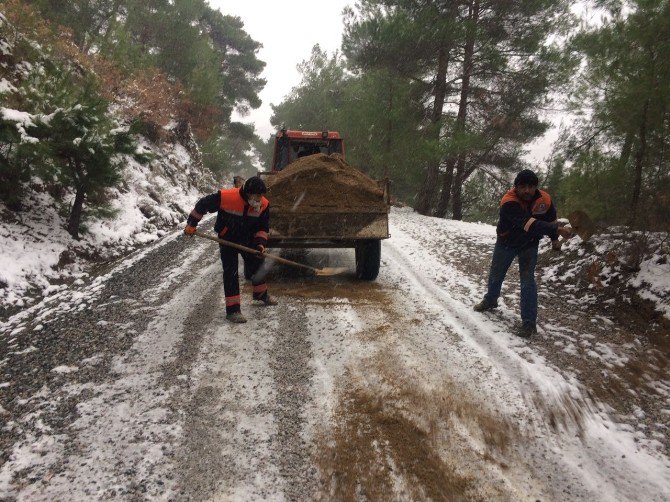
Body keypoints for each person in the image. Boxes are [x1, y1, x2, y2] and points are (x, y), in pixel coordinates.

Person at [473, 169, 572, 338]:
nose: (527, 190)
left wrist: (555, 239)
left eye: (531, 186)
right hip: (507, 242)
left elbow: (550, 219)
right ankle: (490, 301)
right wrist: (557, 229)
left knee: (528, 281)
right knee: (496, 274)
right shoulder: (508, 201)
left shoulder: (545, 200)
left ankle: (529, 323)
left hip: (529, 244)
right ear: (516, 187)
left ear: (536, 187)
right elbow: (528, 224)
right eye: (523, 186)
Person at [184, 176, 277, 323]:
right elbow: (202, 205)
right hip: (228, 237)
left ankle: (261, 294)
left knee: (257, 263)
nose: (260, 199)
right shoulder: (226, 197)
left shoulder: (264, 205)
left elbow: (262, 228)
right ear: (248, 193)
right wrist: (192, 223)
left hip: (248, 239)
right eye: (257, 195)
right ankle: (233, 310)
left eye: (261, 195)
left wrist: (260, 244)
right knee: (231, 271)